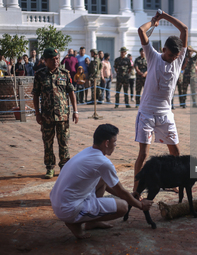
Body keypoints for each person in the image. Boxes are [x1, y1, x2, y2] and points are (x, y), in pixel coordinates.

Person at [50, 124, 153, 239]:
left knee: (103, 180)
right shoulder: (103, 162)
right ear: (106, 143)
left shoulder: (88, 151)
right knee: (123, 206)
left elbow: (112, 186)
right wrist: (140, 205)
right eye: (114, 142)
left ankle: (91, 222)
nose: (115, 145)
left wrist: (129, 196)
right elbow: (120, 192)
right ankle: (75, 222)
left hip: (59, 203)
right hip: (69, 209)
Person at [133, 10, 188, 192]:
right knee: (144, 154)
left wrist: (164, 16)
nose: (173, 59)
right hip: (147, 113)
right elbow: (141, 31)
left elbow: (184, 29)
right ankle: (136, 190)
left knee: (176, 153)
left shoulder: (178, 61)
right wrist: (153, 22)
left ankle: (176, 184)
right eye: (171, 55)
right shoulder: (153, 56)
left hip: (165, 114)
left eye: (175, 56)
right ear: (164, 49)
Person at [32, 47, 78, 179]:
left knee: (64, 142)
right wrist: (37, 113)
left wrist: (75, 111)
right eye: (53, 59)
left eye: (57, 59)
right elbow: (35, 95)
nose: (56, 61)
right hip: (46, 116)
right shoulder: (40, 75)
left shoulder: (65, 73)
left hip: (62, 115)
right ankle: (50, 167)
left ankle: (64, 167)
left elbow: (71, 93)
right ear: (46, 60)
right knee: (48, 142)